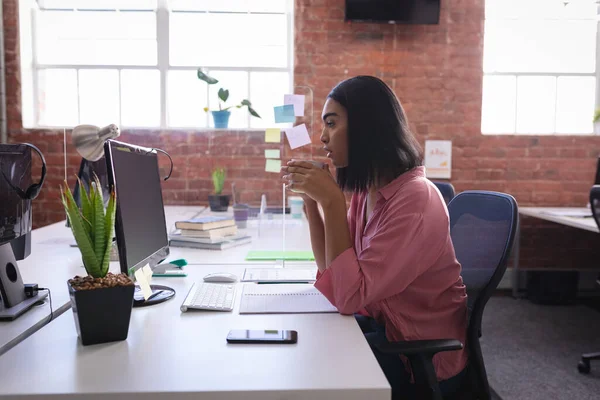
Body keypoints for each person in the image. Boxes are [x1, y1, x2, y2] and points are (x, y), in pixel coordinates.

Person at [280, 76, 468, 399]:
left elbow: (350, 296)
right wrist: (312, 202)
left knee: (310, 372)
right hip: (388, 334)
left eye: (332, 124)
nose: (323, 137)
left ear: (366, 127)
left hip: (420, 359)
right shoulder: (369, 194)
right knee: (303, 351)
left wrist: (331, 203)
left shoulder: (415, 200)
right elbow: (335, 279)